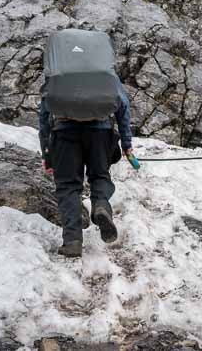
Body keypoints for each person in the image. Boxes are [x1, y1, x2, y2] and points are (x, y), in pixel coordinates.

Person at [38, 78, 133, 258]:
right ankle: (101, 206)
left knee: (68, 186)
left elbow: (44, 112)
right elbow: (123, 105)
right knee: (100, 177)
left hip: (64, 131)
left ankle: (72, 241)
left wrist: (46, 151)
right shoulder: (103, 69)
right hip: (101, 131)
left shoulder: (58, 69)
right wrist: (126, 143)